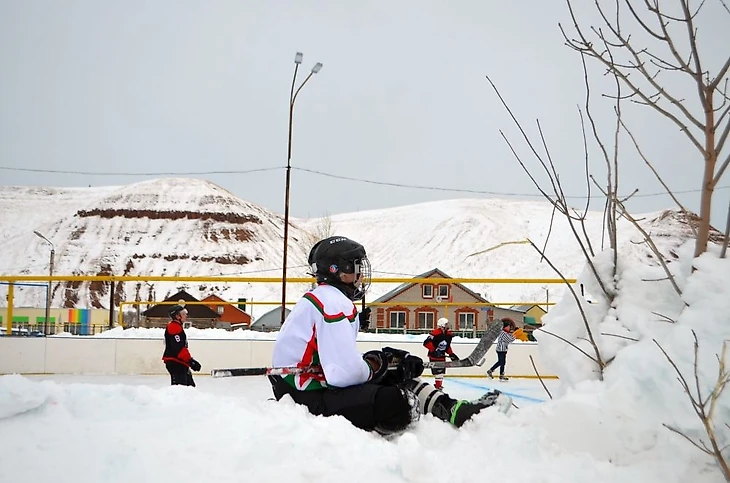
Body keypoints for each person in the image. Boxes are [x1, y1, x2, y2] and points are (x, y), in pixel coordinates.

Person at [270, 236, 507, 436]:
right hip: (307, 396)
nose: (361, 275)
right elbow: (342, 374)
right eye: (356, 267)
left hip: (303, 387)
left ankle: (453, 410)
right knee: (395, 403)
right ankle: (431, 416)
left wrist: (386, 363)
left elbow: (332, 361)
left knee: (395, 375)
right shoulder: (332, 302)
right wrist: (378, 365)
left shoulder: (323, 297)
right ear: (339, 271)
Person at [162, 304, 202, 386]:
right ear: (177, 316)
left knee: (189, 387)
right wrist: (190, 361)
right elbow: (179, 348)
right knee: (181, 390)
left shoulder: (177, 327)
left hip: (180, 362)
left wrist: (189, 361)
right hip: (176, 362)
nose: (186, 315)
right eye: (183, 313)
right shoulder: (174, 327)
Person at [423, 317, 459, 389]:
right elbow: (426, 343)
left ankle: (438, 386)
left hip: (442, 356)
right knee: (438, 373)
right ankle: (438, 386)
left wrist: (451, 354)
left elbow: (447, 346)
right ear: (442, 325)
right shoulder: (435, 333)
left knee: (441, 373)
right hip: (434, 356)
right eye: (446, 324)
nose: (448, 325)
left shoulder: (448, 335)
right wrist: (435, 350)